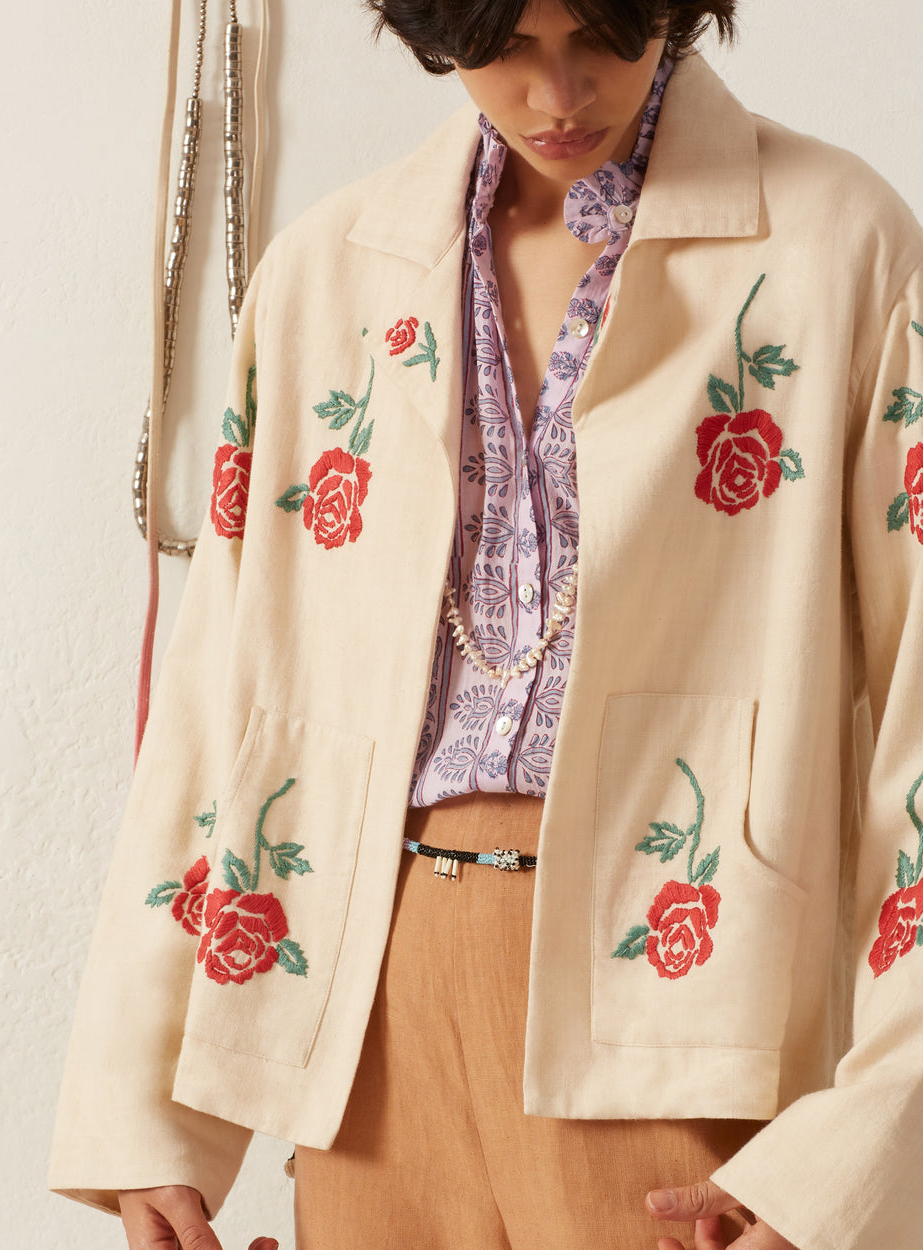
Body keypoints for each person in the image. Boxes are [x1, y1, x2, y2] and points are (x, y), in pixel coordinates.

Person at [50, 2, 923, 1248]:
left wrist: (848, 1156)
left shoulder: (843, 247)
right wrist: (144, 1112)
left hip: (682, 1022)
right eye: (506, 45)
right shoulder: (329, 270)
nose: (558, 94)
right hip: (364, 1022)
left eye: (606, 37)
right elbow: (223, 690)